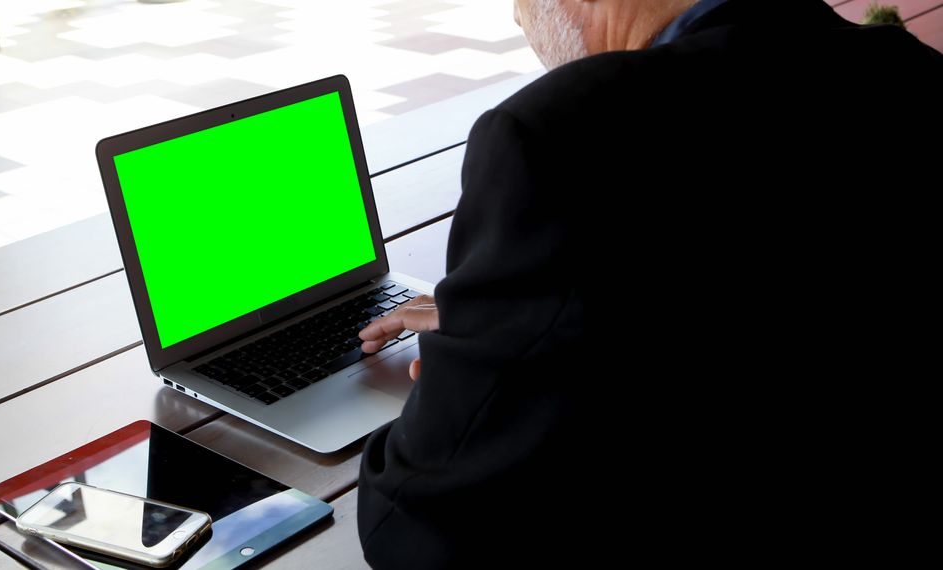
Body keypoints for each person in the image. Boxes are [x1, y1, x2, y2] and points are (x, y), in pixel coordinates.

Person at [355, 0, 942, 566]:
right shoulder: (904, 67)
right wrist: (507, 317)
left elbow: (416, 529)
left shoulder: (562, 133)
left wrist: (464, 386)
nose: (517, 15)